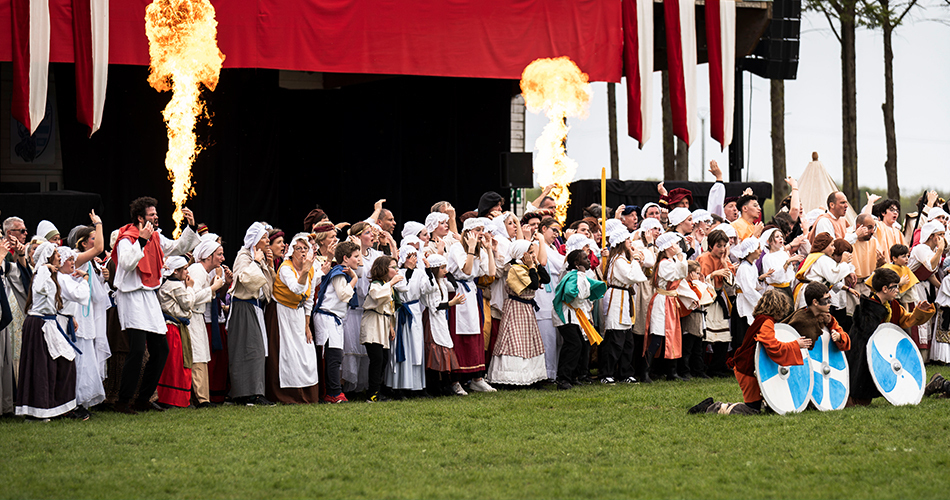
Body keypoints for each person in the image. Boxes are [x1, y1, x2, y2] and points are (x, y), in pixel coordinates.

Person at [113, 198, 173, 414]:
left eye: (156, 214)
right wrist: (141, 240)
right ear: (140, 217)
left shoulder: (156, 236)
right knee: (137, 350)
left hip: (148, 297)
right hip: (131, 296)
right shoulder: (126, 238)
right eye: (151, 214)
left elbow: (177, 247)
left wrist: (191, 228)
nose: (155, 217)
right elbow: (128, 263)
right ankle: (123, 401)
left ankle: (143, 399)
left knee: (161, 349)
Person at [848, 267, 935, 406]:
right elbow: (864, 335)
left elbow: (906, 320)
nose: (897, 290)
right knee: (861, 399)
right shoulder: (866, 308)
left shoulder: (892, 305)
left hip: (886, 352)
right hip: (863, 355)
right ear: (884, 289)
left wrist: (919, 312)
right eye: (894, 287)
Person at [16, 243, 82, 420]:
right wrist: (45, 268)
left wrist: (69, 316)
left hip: (48, 323)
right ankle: (41, 410)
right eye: (55, 254)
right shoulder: (41, 274)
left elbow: (53, 303)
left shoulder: (51, 275)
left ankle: (56, 407)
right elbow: (39, 289)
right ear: (48, 258)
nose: (59, 256)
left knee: (62, 362)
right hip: (39, 324)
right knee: (41, 367)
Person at [715, 289, 809, 414]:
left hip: (745, 366)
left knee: (767, 407)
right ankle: (715, 407)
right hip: (747, 370)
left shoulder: (762, 319)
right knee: (752, 410)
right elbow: (773, 347)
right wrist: (795, 344)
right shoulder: (766, 322)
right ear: (778, 308)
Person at [486, 240, 550, 387]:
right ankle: (510, 378)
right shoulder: (515, 269)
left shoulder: (527, 267)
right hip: (516, 307)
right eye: (531, 252)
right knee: (514, 340)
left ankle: (531, 376)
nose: (534, 255)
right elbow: (533, 284)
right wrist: (532, 267)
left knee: (529, 341)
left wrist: (536, 265)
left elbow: (546, 279)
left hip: (527, 308)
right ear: (523, 254)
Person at [227, 222, 276, 406]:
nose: (267, 241)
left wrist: (267, 264)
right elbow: (245, 279)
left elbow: (266, 285)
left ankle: (253, 392)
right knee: (248, 350)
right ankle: (249, 394)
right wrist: (256, 261)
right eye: (264, 238)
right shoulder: (244, 256)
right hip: (243, 307)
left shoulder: (258, 256)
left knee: (256, 349)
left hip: (254, 307)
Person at [269, 233, 321, 404]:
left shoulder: (311, 269)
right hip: (283, 312)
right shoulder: (285, 268)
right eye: (299, 249)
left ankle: (308, 394)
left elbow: (309, 297)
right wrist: (304, 271)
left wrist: (307, 325)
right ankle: (289, 395)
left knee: (306, 352)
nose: (303, 252)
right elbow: (296, 289)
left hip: (299, 315)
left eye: (305, 248)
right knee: (288, 353)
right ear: (292, 251)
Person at [447, 218, 496, 393]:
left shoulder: (478, 249)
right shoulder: (456, 247)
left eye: (483, 229)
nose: (482, 232)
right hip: (458, 292)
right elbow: (467, 270)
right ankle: (455, 380)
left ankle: (477, 377)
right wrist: (471, 248)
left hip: (471, 292)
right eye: (477, 229)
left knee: (476, 333)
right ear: (467, 232)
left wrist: (488, 249)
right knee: (457, 335)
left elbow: (491, 273)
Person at [313, 241, 360, 403]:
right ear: (346, 258)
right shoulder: (339, 273)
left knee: (335, 355)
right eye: (355, 256)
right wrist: (354, 279)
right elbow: (344, 294)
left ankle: (332, 391)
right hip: (327, 317)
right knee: (333, 356)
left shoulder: (339, 272)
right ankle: (333, 393)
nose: (358, 260)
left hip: (333, 318)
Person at [553, 250, 607, 390]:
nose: (588, 260)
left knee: (580, 345)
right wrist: (582, 275)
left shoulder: (578, 275)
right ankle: (563, 378)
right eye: (584, 258)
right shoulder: (573, 276)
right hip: (566, 315)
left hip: (574, 314)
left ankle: (572, 376)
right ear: (577, 264)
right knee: (574, 345)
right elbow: (573, 293)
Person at [600, 229, 648, 384]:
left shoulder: (621, 259)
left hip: (623, 297)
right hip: (616, 299)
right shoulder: (618, 260)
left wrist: (636, 260)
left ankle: (625, 372)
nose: (630, 241)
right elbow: (631, 276)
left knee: (627, 338)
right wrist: (635, 259)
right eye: (627, 239)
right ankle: (607, 372)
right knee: (615, 337)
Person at [186, 240, 226, 407]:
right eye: (219, 254)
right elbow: (191, 298)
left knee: (202, 355)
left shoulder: (202, 271)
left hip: (198, 317)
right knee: (198, 355)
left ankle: (202, 398)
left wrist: (211, 287)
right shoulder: (198, 270)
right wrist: (212, 289)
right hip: (193, 317)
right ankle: (200, 399)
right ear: (208, 256)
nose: (222, 258)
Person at [419, 254, 465, 396]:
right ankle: (435, 386)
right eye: (442, 268)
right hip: (433, 319)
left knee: (444, 348)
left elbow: (453, 286)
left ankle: (445, 384)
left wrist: (448, 274)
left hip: (440, 320)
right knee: (436, 350)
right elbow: (435, 305)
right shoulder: (431, 283)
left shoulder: (442, 282)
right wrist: (452, 303)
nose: (445, 270)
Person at [645, 232, 689, 381]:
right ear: (669, 246)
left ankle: (671, 372)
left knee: (673, 335)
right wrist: (681, 257)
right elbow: (677, 275)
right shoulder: (664, 263)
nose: (677, 246)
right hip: (662, 301)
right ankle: (646, 371)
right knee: (658, 336)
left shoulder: (670, 261)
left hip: (669, 300)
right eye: (675, 243)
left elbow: (681, 272)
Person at [156, 256, 196, 408]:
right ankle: (174, 399)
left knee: (175, 363)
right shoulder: (176, 286)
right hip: (173, 327)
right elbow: (187, 304)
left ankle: (172, 398)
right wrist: (190, 288)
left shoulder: (169, 284)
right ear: (175, 271)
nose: (187, 272)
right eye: (184, 269)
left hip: (174, 327)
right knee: (176, 364)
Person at [361, 256, 402, 402]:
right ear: (384, 268)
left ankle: (377, 391)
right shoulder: (376, 284)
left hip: (383, 323)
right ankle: (372, 394)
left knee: (384, 359)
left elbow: (389, 308)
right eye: (392, 267)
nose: (396, 270)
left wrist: (391, 326)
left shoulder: (387, 285)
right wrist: (391, 283)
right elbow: (377, 296)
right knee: (377, 359)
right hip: (373, 323)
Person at [388, 246, 428, 396]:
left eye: (414, 256)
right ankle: (399, 385)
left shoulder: (420, 273)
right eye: (409, 256)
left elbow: (426, 289)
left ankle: (416, 386)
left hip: (414, 312)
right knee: (402, 346)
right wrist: (407, 271)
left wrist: (425, 271)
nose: (413, 259)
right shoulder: (398, 273)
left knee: (415, 348)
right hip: (401, 312)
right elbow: (403, 288)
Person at [697, 229, 735, 377]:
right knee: (705, 336)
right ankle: (700, 368)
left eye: (724, 245)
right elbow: (698, 280)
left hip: (720, 299)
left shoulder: (725, 259)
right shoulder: (703, 258)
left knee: (723, 335)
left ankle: (718, 366)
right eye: (718, 245)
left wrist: (725, 264)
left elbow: (731, 283)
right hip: (707, 299)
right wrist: (713, 274)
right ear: (711, 245)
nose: (722, 249)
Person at [907, 221, 946, 358]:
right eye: (939, 235)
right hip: (911, 288)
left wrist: (942, 287)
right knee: (917, 318)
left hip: (922, 287)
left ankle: (926, 355)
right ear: (931, 236)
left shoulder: (931, 251)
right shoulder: (921, 249)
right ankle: (916, 354)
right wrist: (940, 250)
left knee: (926, 318)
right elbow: (930, 266)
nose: (942, 237)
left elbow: (929, 274)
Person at [534, 217, 565, 381]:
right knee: (547, 337)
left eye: (558, 232)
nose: (556, 235)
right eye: (554, 230)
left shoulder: (552, 248)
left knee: (556, 337)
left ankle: (553, 372)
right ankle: (546, 373)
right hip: (543, 295)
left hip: (554, 294)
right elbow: (561, 265)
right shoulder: (539, 245)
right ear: (543, 229)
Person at [783, 282, 851, 354]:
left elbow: (845, 342)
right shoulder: (799, 319)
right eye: (826, 299)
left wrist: (839, 337)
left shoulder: (828, 318)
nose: (829, 302)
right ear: (815, 302)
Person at [676, 260, 715, 379]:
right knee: (688, 346)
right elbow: (697, 295)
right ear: (689, 273)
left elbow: (709, 295)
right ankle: (685, 370)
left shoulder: (696, 284)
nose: (698, 276)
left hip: (699, 316)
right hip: (691, 316)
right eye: (696, 273)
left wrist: (702, 283)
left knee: (698, 346)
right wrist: (699, 283)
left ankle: (698, 369)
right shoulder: (686, 285)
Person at [760, 227, 802, 301]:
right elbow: (775, 275)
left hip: (787, 288)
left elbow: (789, 273)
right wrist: (788, 262)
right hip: (776, 291)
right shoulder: (767, 257)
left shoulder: (784, 254)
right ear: (769, 241)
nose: (780, 238)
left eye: (781, 236)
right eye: (777, 237)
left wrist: (792, 264)